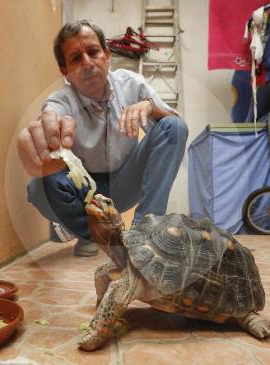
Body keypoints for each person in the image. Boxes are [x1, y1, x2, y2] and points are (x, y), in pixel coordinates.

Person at [17, 20, 188, 256]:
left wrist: (151, 107)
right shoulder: (61, 101)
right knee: (39, 188)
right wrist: (41, 138)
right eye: (76, 58)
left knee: (174, 126)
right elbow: (50, 116)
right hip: (85, 193)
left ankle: (144, 232)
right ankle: (90, 235)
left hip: (126, 180)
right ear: (64, 71)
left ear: (107, 56)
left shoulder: (132, 84)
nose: (87, 63)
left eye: (93, 52)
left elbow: (175, 126)